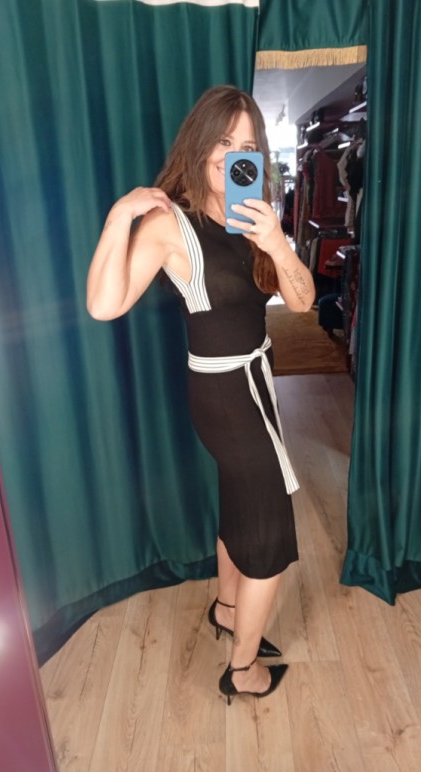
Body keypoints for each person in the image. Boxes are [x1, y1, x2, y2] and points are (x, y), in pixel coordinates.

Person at [86, 85, 315, 705]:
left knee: (240, 502)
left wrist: (278, 242)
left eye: (247, 145)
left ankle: (226, 609)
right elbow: (104, 305)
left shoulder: (254, 216)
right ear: (200, 142)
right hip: (223, 394)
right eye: (223, 140)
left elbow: (301, 303)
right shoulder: (171, 224)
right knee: (269, 537)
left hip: (255, 383)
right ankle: (242, 670)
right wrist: (119, 217)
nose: (233, 154)